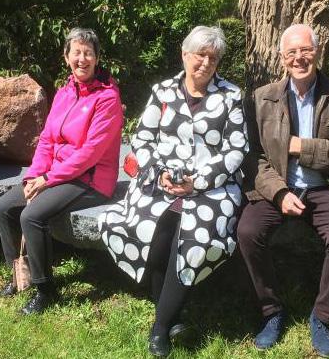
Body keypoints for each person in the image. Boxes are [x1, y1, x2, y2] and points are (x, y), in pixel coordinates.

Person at [99, 26, 248, 357]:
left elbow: (237, 149)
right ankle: (170, 312)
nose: (206, 63)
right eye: (200, 55)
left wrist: (198, 182)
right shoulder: (163, 91)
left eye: (213, 57)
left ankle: (161, 327)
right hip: (161, 181)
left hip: (212, 189)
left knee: (192, 238)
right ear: (184, 54)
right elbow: (143, 137)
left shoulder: (231, 95)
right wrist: (160, 172)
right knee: (151, 229)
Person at [238, 24, 329, 357]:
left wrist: (306, 148)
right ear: (282, 58)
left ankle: (322, 317)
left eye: (305, 50)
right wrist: (280, 193)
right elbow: (253, 157)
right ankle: (272, 311)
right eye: (292, 52)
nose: (299, 58)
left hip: (326, 188)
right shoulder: (261, 98)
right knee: (248, 231)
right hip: (278, 186)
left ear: (317, 51)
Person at [0, 28, 124, 314]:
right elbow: (48, 140)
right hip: (56, 174)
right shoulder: (64, 93)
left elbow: (91, 153)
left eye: (89, 53)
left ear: (97, 58)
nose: (82, 58)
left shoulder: (107, 97)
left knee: (32, 215)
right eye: (76, 52)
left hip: (91, 179)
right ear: (66, 57)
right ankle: (18, 277)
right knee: (2, 207)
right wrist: (33, 176)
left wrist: (48, 179)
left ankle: (45, 290)